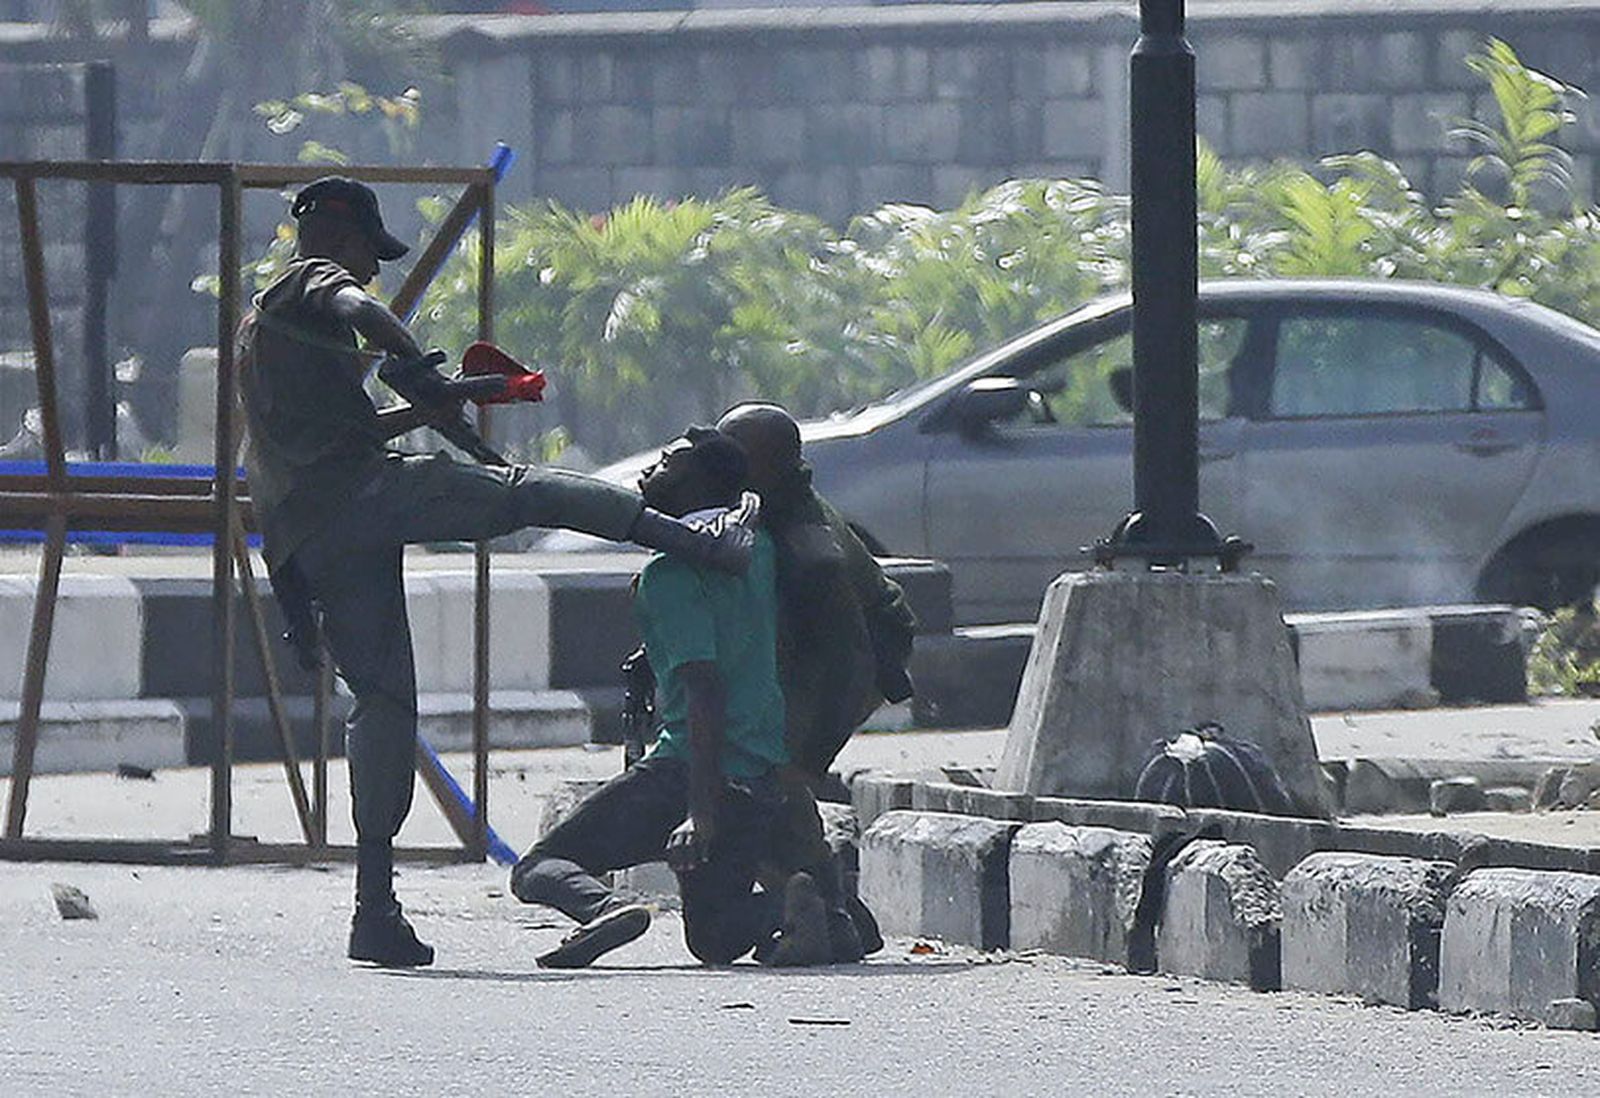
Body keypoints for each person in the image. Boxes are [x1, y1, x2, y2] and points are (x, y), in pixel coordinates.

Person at [237, 177, 755, 969]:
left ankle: (374, 910)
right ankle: (697, 544)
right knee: (532, 492)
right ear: (341, 242)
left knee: (381, 702)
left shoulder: (261, 335)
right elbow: (362, 310)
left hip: (313, 531)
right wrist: (414, 363)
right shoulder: (315, 282)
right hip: (367, 495)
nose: (372, 273)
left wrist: (439, 403)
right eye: (368, 255)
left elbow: (318, 439)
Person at [509, 427, 799, 968]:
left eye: (667, 465)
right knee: (714, 937)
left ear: (699, 487)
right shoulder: (759, 551)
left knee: (540, 866)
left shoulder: (670, 577)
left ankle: (604, 908)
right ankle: (808, 911)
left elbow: (704, 688)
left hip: (689, 774)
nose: (647, 473)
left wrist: (699, 814)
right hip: (758, 777)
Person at [715, 402, 918, 962]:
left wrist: (814, 752)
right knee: (771, 768)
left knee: (772, 769)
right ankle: (839, 913)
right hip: (813, 653)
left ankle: (820, 910)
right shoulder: (766, 506)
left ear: (768, 465)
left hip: (859, 656)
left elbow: (849, 657)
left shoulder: (809, 546)